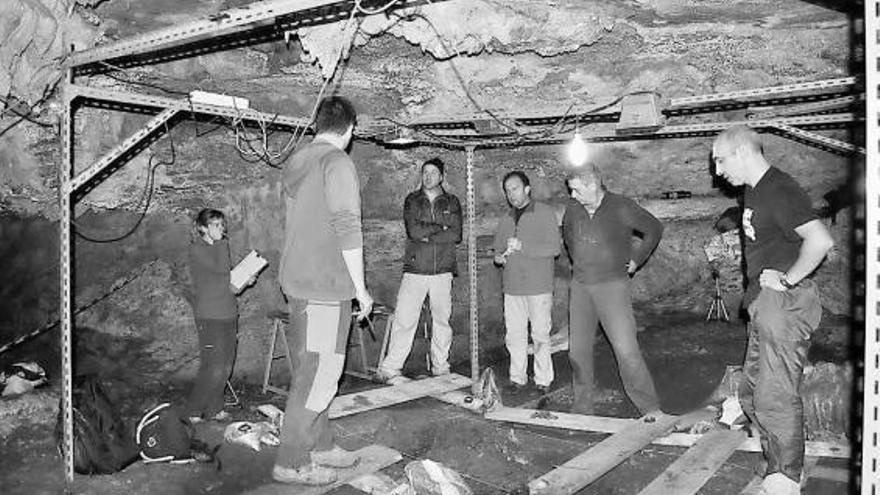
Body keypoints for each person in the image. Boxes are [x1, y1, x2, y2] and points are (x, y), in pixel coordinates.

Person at [712, 125, 833, 495]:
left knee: (775, 392)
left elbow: (820, 239)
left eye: (720, 160)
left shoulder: (779, 188)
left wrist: (789, 279)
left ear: (744, 152)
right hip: (765, 306)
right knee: (751, 388)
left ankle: (784, 476)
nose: (717, 171)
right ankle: (773, 460)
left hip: (785, 303)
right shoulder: (753, 191)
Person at [272, 96, 373, 486]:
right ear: (351, 129)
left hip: (298, 283)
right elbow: (348, 225)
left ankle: (321, 443)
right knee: (319, 374)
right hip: (325, 287)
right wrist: (361, 289)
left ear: (318, 125)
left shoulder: (298, 161)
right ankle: (293, 459)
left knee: (310, 370)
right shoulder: (337, 162)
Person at [561, 163, 663, 418]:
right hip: (581, 286)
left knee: (626, 350)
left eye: (576, 190)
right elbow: (568, 236)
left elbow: (654, 229)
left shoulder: (621, 206)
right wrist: (580, 262)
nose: (572, 196)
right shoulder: (574, 209)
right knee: (578, 351)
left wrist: (637, 258)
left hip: (612, 287)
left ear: (592, 185)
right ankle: (583, 406)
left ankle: (649, 407)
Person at [376, 157, 462, 384]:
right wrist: (440, 228)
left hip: (442, 270)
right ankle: (391, 368)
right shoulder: (413, 200)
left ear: (442, 177)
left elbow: (456, 234)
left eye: (433, 172)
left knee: (442, 321)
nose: (428, 176)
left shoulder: (451, 202)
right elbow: (414, 231)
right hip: (415, 269)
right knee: (404, 318)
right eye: (425, 172)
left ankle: (440, 366)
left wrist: (429, 232)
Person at [493, 171, 561, 395]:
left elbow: (554, 248)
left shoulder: (544, 213)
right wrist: (499, 258)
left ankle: (543, 380)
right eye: (507, 190)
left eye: (514, 188)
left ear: (527, 189)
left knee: (540, 334)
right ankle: (517, 378)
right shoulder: (506, 219)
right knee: (514, 335)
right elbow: (498, 251)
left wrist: (524, 247)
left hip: (538, 285)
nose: (511, 194)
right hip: (512, 286)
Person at [186, 208, 255, 424]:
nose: (221, 229)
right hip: (209, 316)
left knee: (225, 366)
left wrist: (244, 280)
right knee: (212, 366)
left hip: (227, 313)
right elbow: (221, 268)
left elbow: (228, 283)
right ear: (203, 228)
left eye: (222, 224)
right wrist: (221, 243)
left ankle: (215, 409)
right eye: (216, 225)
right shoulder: (198, 250)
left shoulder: (218, 249)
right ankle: (193, 410)